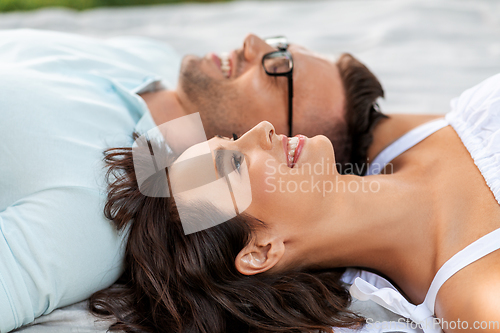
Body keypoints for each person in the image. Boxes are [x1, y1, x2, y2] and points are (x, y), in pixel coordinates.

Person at [0, 29, 385, 332]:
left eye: (279, 69)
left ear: (290, 145)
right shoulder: (153, 56)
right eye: (280, 44)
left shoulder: (96, 214)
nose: (252, 42)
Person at [90, 73, 500, 333]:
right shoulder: (481, 303)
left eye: (233, 138)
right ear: (261, 250)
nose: (262, 128)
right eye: (232, 162)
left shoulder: (420, 134)